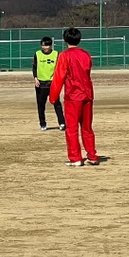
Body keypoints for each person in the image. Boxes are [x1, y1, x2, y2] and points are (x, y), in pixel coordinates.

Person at [49, 28, 98, 166]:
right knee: (87, 127)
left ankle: (76, 158)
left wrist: (53, 97)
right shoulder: (86, 55)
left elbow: (59, 77)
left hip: (73, 95)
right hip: (87, 94)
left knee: (71, 128)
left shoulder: (64, 56)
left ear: (65, 40)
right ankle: (92, 156)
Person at [33, 37, 66, 131]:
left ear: (50, 45)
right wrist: (35, 78)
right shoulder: (37, 54)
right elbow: (34, 67)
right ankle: (43, 124)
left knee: (57, 104)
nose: (45, 47)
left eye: (47, 45)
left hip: (52, 83)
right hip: (41, 84)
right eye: (43, 45)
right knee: (41, 105)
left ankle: (62, 123)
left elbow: (60, 68)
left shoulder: (56, 54)